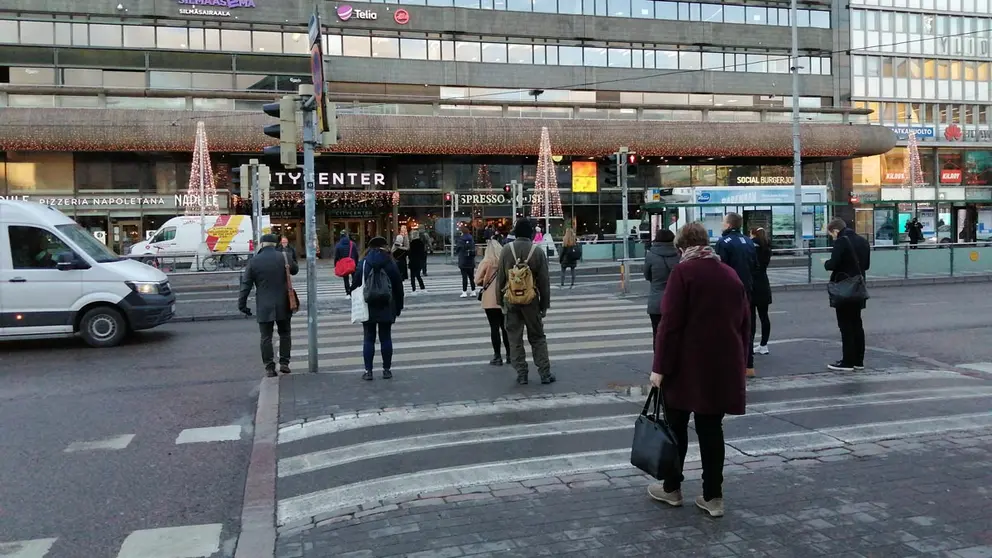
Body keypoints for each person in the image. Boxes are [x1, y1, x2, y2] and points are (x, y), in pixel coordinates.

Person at [647, 222, 750, 518]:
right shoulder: (729, 273)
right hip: (720, 368)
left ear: (682, 247)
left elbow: (670, 325)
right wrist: (740, 363)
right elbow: (744, 323)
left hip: (685, 367)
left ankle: (672, 489)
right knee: (711, 430)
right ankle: (713, 497)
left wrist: (659, 368)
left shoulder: (683, 273)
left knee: (676, 429)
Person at [497, 219, 553, 385]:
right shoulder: (537, 252)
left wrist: (501, 302)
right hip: (532, 301)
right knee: (537, 337)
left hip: (511, 300)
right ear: (531, 233)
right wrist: (544, 305)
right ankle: (545, 373)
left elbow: (500, 278)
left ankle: (521, 374)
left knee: (514, 338)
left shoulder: (506, 250)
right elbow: (544, 282)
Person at [238, 233, 299, 378]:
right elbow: (295, 270)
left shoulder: (254, 261)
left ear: (261, 244)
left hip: (264, 305)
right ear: (275, 244)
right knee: (285, 334)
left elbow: (246, 285)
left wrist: (242, 304)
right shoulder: (283, 256)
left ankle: (269, 368)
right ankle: (284, 363)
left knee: (266, 337)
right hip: (284, 302)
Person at [352, 236, 405, 381]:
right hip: (387, 305)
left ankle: (368, 371)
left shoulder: (363, 263)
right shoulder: (390, 262)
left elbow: (355, 283)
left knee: (368, 338)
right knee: (385, 337)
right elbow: (398, 287)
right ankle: (386, 370)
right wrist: (398, 306)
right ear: (384, 247)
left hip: (368, 305)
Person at [824, 218, 871, 372]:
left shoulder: (841, 241)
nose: (832, 237)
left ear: (835, 230)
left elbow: (833, 264)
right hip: (858, 287)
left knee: (845, 325)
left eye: (831, 234)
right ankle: (859, 361)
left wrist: (826, 263)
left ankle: (847, 362)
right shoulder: (862, 241)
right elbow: (866, 265)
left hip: (844, 288)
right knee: (857, 324)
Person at [715, 212, 758, 378]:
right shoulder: (748, 241)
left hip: (729, 291)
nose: (721, 224)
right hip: (747, 288)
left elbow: (721, 269)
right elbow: (755, 265)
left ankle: (731, 365)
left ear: (729, 225)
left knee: (729, 328)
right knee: (747, 327)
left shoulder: (723, 243)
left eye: (723, 221)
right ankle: (749, 364)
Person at [475, 239, 511, 365]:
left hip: (490, 300)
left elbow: (477, 280)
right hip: (504, 297)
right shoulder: (505, 262)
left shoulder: (486, 262)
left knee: (494, 328)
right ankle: (509, 355)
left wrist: (485, 281)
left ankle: (497, 356)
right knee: (505, 328)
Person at [644, 229, 680, 339]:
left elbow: (647, 276)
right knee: (675, 335)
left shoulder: (650, 255)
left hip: (656, 303)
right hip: (675, 301)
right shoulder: (679, 254)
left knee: (657, 334)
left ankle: (658, 355)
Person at [750, 228, 773, 355]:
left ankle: (750, 343)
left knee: (751, 317)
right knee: (764, 316)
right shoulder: (766, 248)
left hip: (752, 283)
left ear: (753, 234)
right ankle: (764, 345)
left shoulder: (751, 247)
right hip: (764, 283)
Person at [334, 232, 359, 298]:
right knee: (354, 278)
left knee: (346, 279)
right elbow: (356, 255)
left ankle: (348, 292)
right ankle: (353, 290)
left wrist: (336, 265)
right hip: (352, 263)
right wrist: (356, 263)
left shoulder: (338, 245)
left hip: (344, 265)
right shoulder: (352, 244)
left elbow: (337, 256)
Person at [456, 225, 477, 298]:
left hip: (463, 261)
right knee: (472, 277)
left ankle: (464, 292)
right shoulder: (471, 239)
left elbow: (457, 249)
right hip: (471, 261)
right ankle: (473, 291)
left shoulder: (460, 240)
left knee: (464, 277)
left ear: (462, 232)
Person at [408, 229, 427, 294]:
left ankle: (414, 289)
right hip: (419, 261)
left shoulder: (412, 243)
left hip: (413, 261)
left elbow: (410, 253)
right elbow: (423, 253)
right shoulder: (421, 243)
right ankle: (423, 288)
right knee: (418, 275)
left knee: (412, 276)